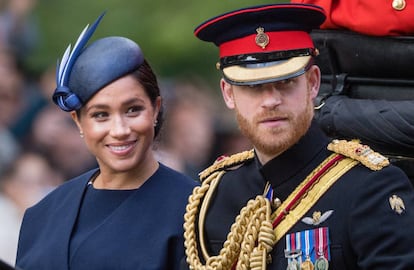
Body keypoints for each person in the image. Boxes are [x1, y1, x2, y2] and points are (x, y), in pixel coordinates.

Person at [182, 3, 414, 270]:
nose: (270, 101)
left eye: (286, 82)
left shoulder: (370, 188)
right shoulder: (215, 196)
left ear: (313, 83)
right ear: (228, 94)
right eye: (254, 87)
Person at [16, 13, 198, 270]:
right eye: (101, 115)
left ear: (156, 109)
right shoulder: (43, 214)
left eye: (133, 110)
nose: (120, 129)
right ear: (78, 121)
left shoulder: (195, 211)